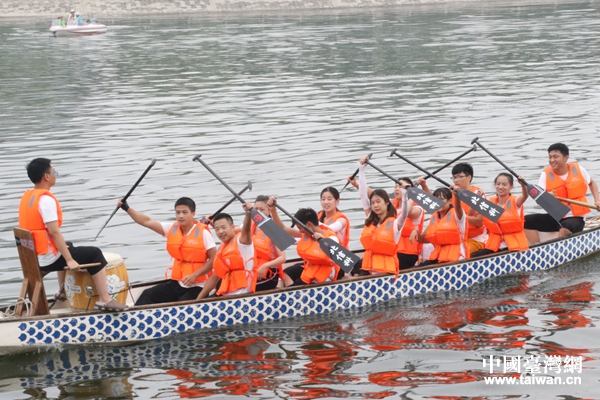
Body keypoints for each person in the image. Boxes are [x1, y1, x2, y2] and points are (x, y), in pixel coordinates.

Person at [18, 158, 128, 311]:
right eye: (54, 172)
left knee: (68, 244)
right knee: (94, 253)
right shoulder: (45, 200)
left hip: (35, 255)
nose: (55, 175)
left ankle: (62, 291)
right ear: (46, 176)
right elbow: (54, 232)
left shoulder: (28, 197)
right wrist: (69, 260)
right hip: (48, 258)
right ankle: (105, 299)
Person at [117, 197, 216, 306]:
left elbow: (214, 259)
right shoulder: (172, 229)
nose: (181, 216)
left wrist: (194, 275)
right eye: (178, 212)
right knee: (148, 294)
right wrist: (126, 208)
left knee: (181, 304)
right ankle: (135, 318)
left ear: (193, 214)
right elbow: (147, 221)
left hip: (199, 285)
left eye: (184, 212)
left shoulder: (203, 233)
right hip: (178, 283)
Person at [524, 143, 600, 244]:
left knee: (565, 228)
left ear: (566, 158)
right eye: (550, 157)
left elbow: (592, 183)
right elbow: (539, 199)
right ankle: (536, 248)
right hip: (555, 217)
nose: (552, 160)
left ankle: (557, 249)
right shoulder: (545, 174)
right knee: (525, 221)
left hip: (575, 217)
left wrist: (597, 200)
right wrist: (547, 197)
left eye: (555, 157)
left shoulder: (579, 170)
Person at [349, 170, 424, 271]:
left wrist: (411, 193)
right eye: (395, 186)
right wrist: (358, 183)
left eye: (400, 187)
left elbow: (406, 211)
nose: (397, 189)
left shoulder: (416, 209)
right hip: (386, 252)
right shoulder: (389, 207)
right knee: (357, 264)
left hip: (406, 255)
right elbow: (375, 196)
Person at [351, 156, 411, 276]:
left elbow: (404, 213)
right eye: (373, 203)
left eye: (378, 202)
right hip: (369, 269)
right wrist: (361, 170)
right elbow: (363, 195)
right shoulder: (370, 218)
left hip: (386, 273)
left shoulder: (395, 223)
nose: (375, 205)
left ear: (387, 202)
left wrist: (404, 196)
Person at [418, 162, 488, 255]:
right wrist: (424, 185)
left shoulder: (477, 195)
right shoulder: (453, 193)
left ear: (469, 177)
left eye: (459, 177)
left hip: (475, 238)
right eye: (454, 177)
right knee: (425, 249)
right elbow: (436, 201)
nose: (456, 180)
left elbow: (479, 221)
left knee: (457, 253)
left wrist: (460, 218)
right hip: (454, 238)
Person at [269, 205, 343, 287]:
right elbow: (282, 228)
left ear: (309, 224)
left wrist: (323, 241)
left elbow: (335, 257)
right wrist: (273, 210)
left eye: (300, 228)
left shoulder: (332, 238)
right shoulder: (307, 235)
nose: (300, 231)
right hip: (310, 272)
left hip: (325, 278)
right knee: (289, 281)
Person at [197, 205, 256, 299]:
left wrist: (248, 214)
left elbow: (246, 229)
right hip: (226, 294)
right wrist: (197, 300)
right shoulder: (222, 248)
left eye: (223, 227)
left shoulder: (242, 242)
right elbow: (214, 278)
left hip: (242, 296)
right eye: (217, 229)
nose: (220, 232)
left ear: (232, 227)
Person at [472, 174, 529, 257]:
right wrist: (477, 199)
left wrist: (523, 185)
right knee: (473, 257)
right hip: (495, 245)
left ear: (511, 187)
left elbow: (525, 196)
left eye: (504, 184)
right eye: (498, 184)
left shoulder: (515, 201)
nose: (500, 187)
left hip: (513, 246)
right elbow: (473, 213)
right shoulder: (490, 203)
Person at [414, 186, 468, 266]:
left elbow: (458, 207)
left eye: (441, 199)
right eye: (436, 200)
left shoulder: (457, 215)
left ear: (450, 201)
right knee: (420, 267)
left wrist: (456, 196)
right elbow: (422, 239)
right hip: (439, 256)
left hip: (457, 256)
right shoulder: (434, 218)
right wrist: (415, 232)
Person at [246, 195, 286, 291]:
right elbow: (231, 230)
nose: (258, 212)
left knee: (247, 287)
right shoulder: (250, 224)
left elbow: (283, 258)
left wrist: (265, 266)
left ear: (269, 211)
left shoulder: (274, 229)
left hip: (269, 272)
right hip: (252, 270)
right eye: (256, 209)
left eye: (262, 209)